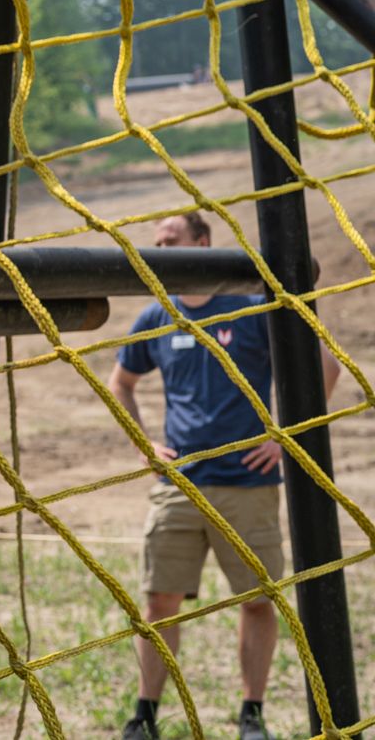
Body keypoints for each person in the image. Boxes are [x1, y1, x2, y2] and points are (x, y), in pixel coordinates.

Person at [107, 212, 341, 740]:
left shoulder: (252, 307)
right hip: (178, 486)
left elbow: (326, 365)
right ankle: (144, 715)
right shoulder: (156, 316)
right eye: (157, 243)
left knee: (258, 601)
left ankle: (251, 715)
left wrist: (283, 434)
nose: (162, 249)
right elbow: (119, 383)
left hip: (248, 485)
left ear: (203, 243)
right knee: (157, 603)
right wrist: (144, 444)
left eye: (172, 240)